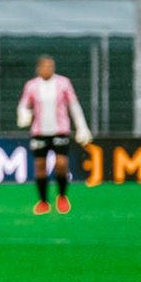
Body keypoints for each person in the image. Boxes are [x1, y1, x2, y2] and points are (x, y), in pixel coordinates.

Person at [17, 55, 91, 215]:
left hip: (60, 130)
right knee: (40, 167)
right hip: (39, 132)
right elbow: (23, 104)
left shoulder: (63, 83)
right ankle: (43, 202)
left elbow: (74, 105)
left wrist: (82, 127)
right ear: (38, 68)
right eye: (45, 66)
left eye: (50, 66)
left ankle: (62, 197)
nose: (48, 69)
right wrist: (23, 114)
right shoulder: (32, 86)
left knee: (61, 164)